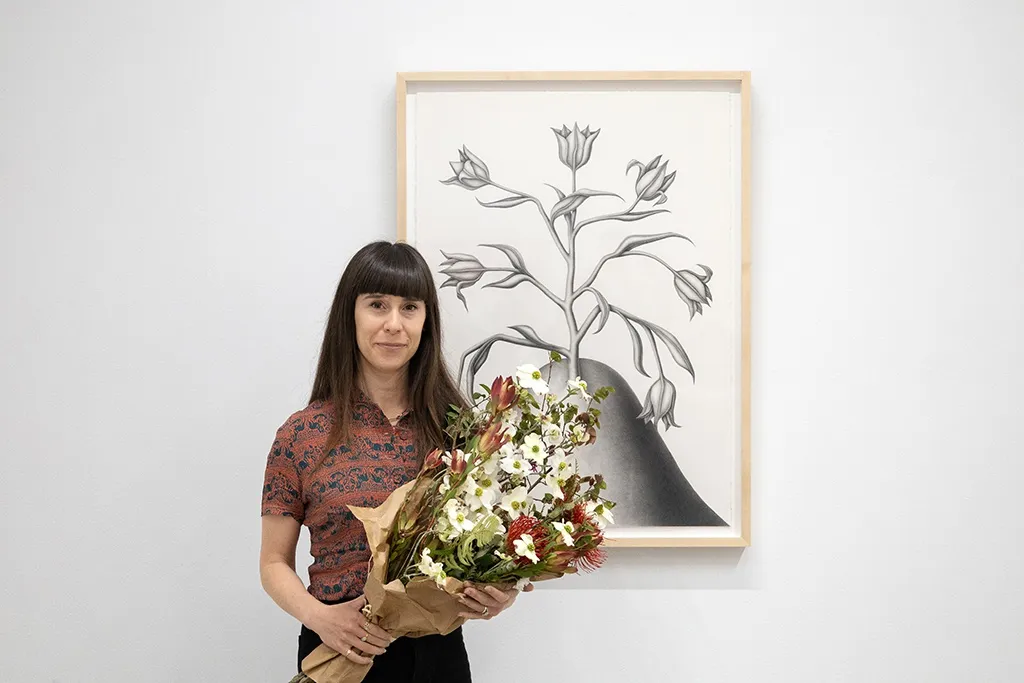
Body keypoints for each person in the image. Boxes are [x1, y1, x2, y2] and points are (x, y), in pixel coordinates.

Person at [259, 240, 528, 682]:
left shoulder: (460, 432)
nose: (393, 324)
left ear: (427, 320)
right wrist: (321, 619)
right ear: (351, 315)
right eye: (377, 305)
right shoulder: (302, 435)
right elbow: (273, 563)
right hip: (338, 649)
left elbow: (487, 544)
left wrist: (499, 591)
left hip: (437, 657)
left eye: (409, 307)